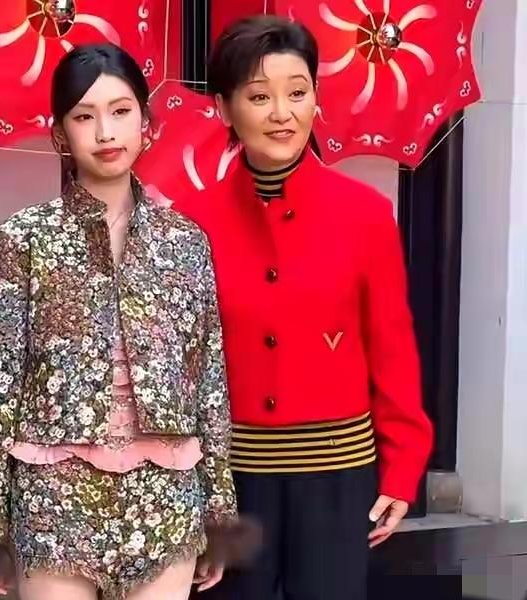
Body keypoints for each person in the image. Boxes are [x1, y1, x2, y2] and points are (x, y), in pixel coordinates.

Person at [0, 43, 255, 600]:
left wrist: (218, 514)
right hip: (53, 498)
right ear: (61, 133)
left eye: (120, 110)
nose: (106, 132)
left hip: (166, 495)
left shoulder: (185, 242)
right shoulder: (22, 240)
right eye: (84, 117)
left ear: (145, 122)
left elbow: (208, 384)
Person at [174, 15, 434, 600]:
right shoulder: (188, 225)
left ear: (317, 98)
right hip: (232, 482)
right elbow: (179, 369)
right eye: (258, 97)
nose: (281, 113)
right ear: (224, 108)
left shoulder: (365, 215)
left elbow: (392, 349)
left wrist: (401, 469)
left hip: (338, 478)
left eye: (297, 92)